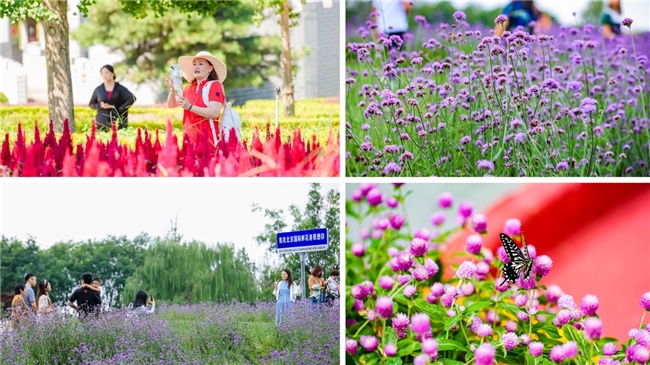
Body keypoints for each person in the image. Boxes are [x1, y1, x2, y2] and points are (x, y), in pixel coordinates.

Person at [164, 51, 227, 145]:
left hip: (208, 142)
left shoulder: (214, 85)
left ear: (210, 68)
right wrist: (173, 89)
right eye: (194, 64)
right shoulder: (188, 88)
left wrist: (190, 107)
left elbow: (214, 113)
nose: (196, 66)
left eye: (201, 64)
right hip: (189, 142)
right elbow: (171, 104)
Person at [89, 64, 136, 131]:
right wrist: (100, 105)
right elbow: (91, 103)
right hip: (102, 122)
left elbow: (132, 98)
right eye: (102, 73)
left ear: (113, 74)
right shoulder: (98, 89)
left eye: (107, 72)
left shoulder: (120, 88)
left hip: (117, 121)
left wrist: (120, 108)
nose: (104, 75)